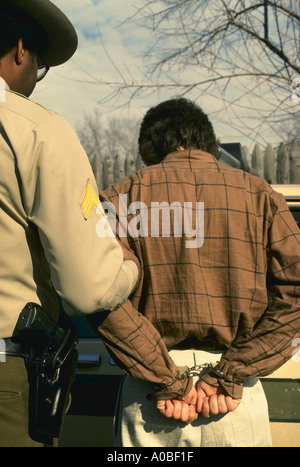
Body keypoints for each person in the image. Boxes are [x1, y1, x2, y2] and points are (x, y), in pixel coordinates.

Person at [87, 98, 300, 447]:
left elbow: (97, 293)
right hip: (234, 395)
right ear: (208, 142)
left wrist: (165, 377)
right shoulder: (260, 196)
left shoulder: (119, 198)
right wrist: (232, 372)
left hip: (150, 392)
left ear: (150, 148)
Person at [0, 0, 139, 447]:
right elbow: (88, 287)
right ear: (21, 50)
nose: (36, 80)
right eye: (40, 66)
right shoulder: (35, 130)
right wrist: (128, 265)